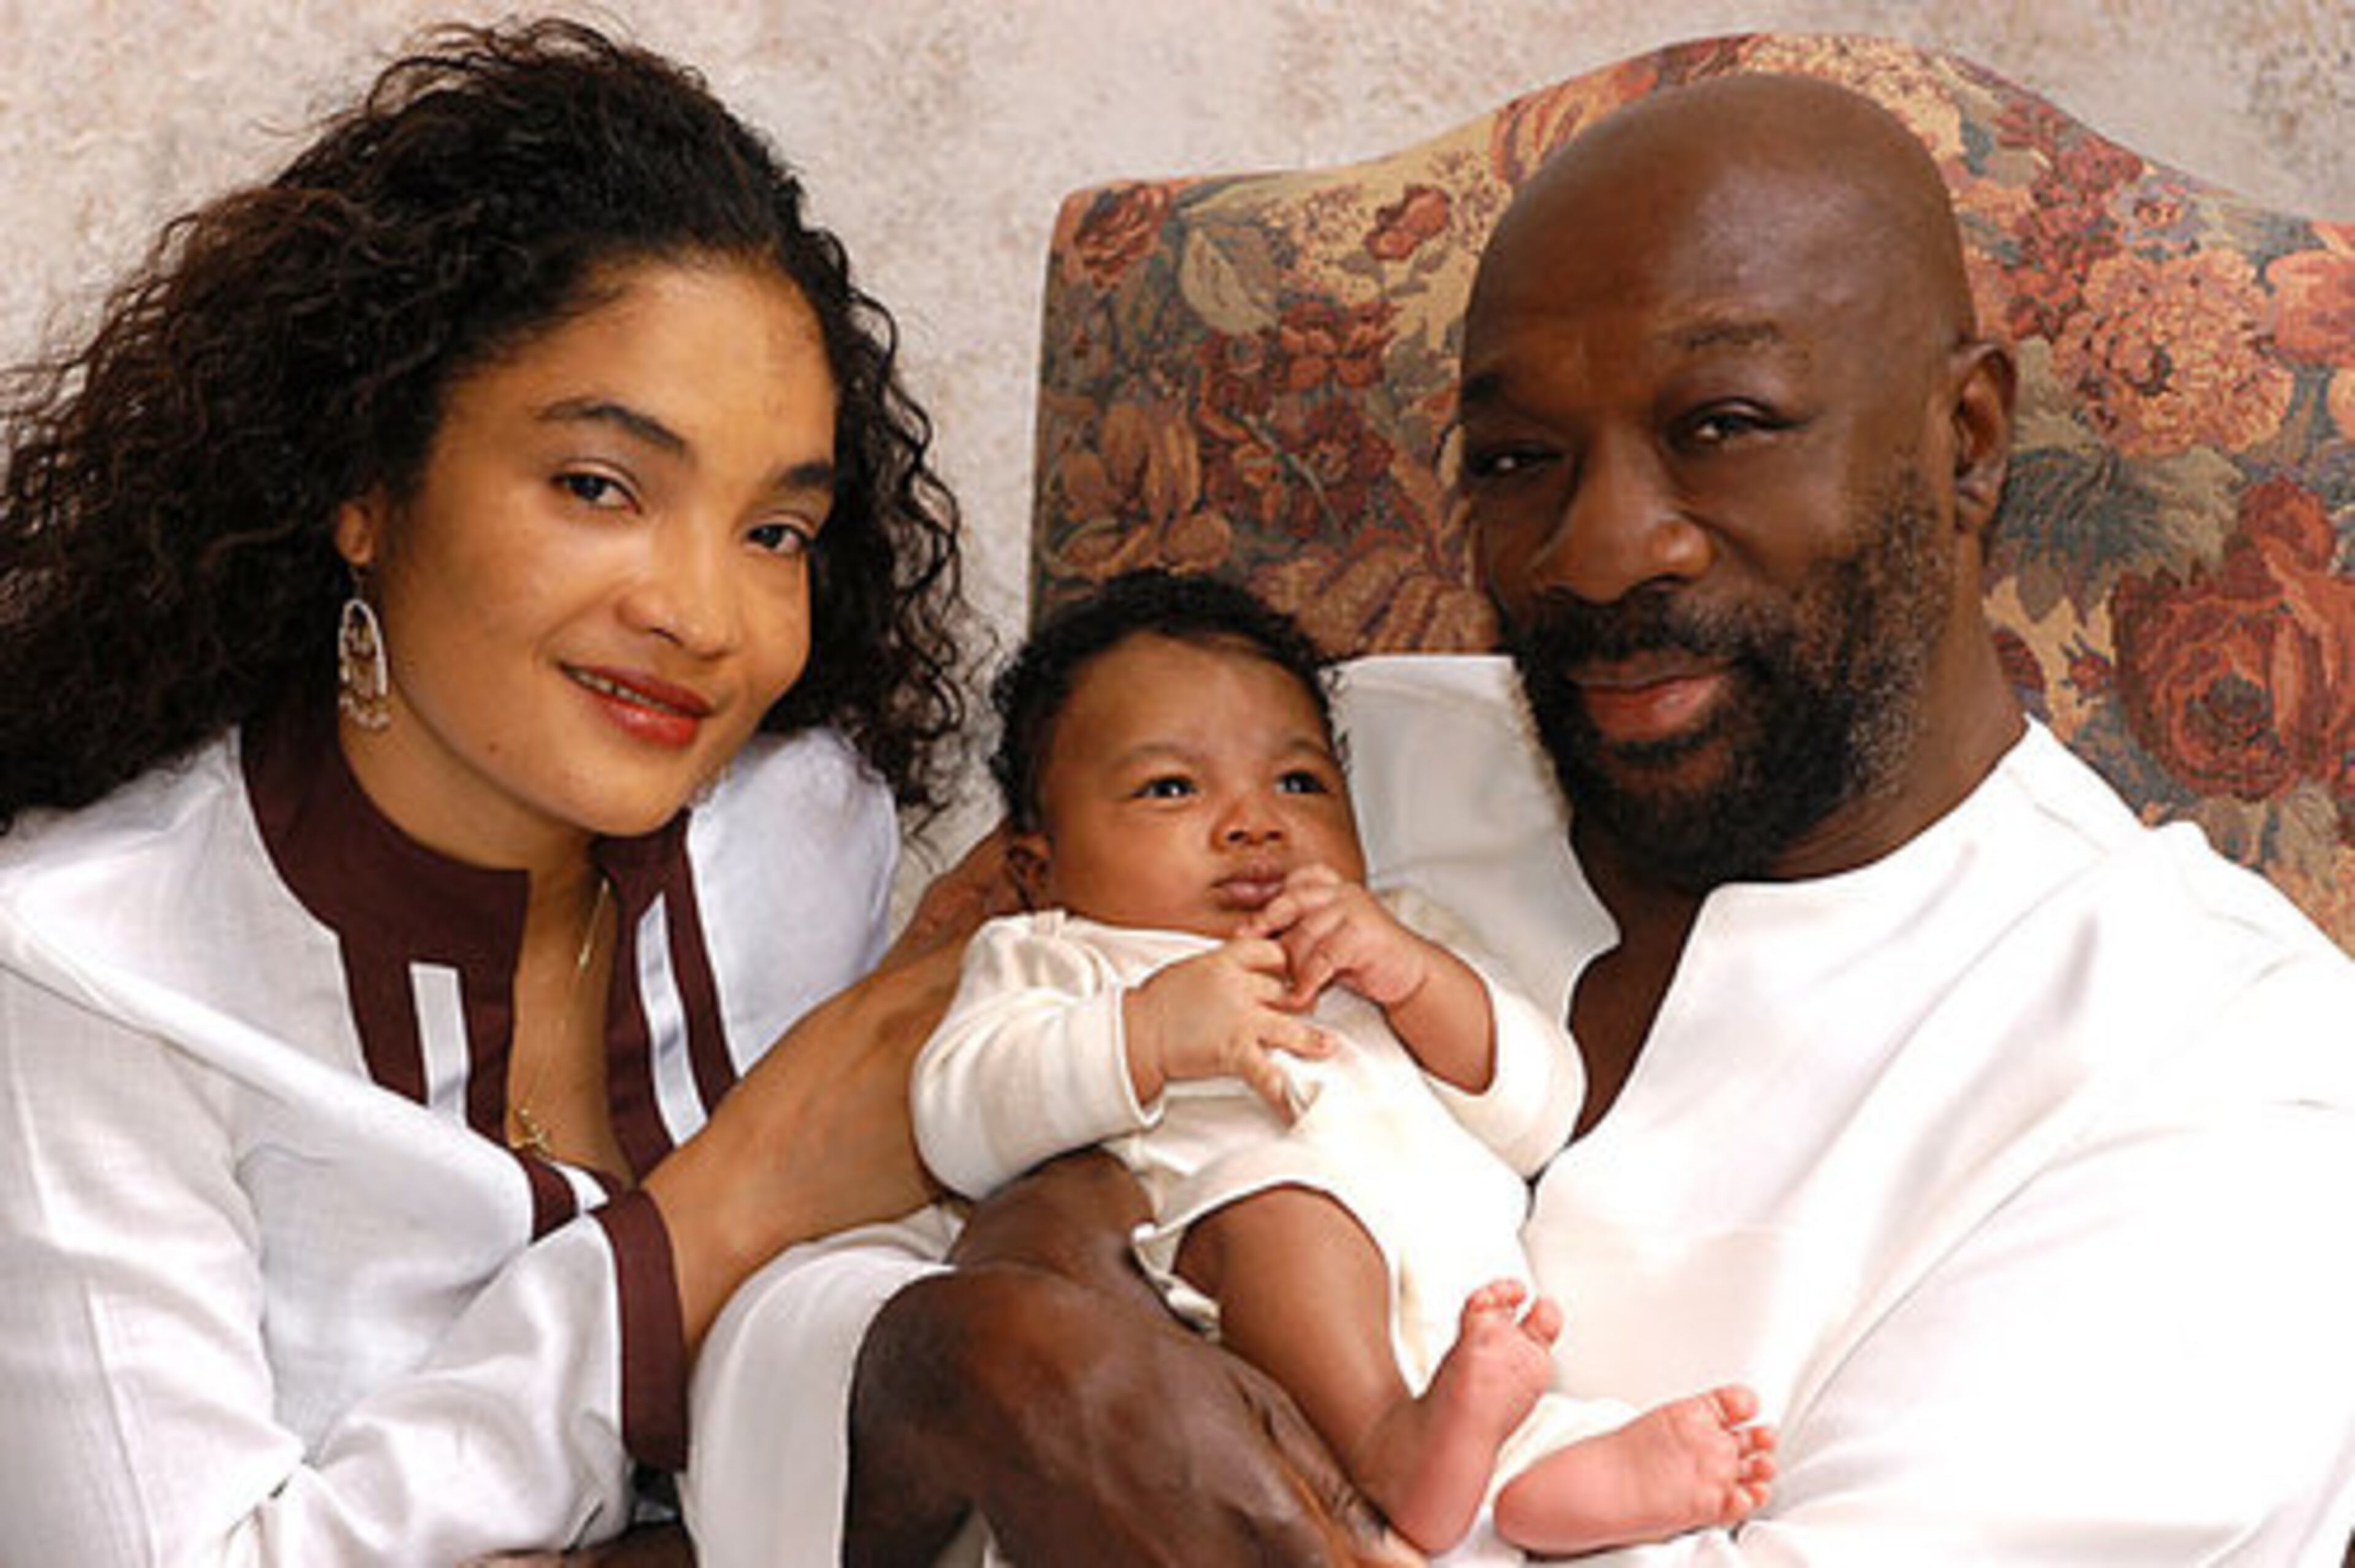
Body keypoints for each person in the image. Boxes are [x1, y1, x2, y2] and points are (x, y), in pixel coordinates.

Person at [681, 71, 2355, 1566]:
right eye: (1517, 459)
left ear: (1967, 439)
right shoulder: (1306, 761)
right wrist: (995, 1360)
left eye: (1722, 428)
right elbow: (787, 1302)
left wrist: (1135, 1395)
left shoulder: (2221, 1063)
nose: (1603, 549)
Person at [0, 20, 1012, 1566]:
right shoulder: (93, 976)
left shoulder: (806, 830)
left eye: (775, 532)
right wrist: (717, 1213)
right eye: (601, 486)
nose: (705, 617)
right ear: (367, 482)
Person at [910, 568, 1775, 1556]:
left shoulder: (1396, 933)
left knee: (1504, 1369)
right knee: (1285, 1201)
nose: (1253, 823)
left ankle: (1545, 1476)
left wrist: (1416, 981)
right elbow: (955, 1123)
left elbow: (1546, 1109)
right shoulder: (1063, 956)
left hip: (1464, 1313)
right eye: (1172, 788)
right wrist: (1145, 1031)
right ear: (1039, 867)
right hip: (1261, 1319)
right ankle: (1390, 1448)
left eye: (1299, 782)